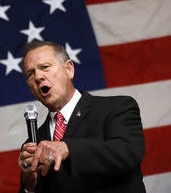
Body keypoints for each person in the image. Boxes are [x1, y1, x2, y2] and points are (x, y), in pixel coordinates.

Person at [18, 41, 145, 192]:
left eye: (45, 67)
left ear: (69, 69)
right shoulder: (33, 143)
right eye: (30, 73)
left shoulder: (117, 107)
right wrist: (29, 184)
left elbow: (128, 153)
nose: (38, 77)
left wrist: (68, 148)